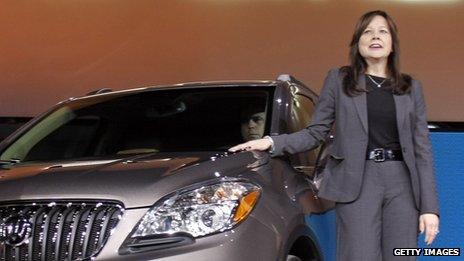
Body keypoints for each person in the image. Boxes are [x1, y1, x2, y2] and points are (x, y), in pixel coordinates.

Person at [229, 10, 439, 261]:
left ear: (392, 42)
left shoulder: (410, 87)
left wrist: (429, 209)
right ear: (358, 42)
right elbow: (315, 132)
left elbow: (421, 150)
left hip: (402, 183)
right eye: (367, 31)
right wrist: (271, 142)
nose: (375, 36)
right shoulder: (340, 80)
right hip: (357, 181)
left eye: (383, 31)